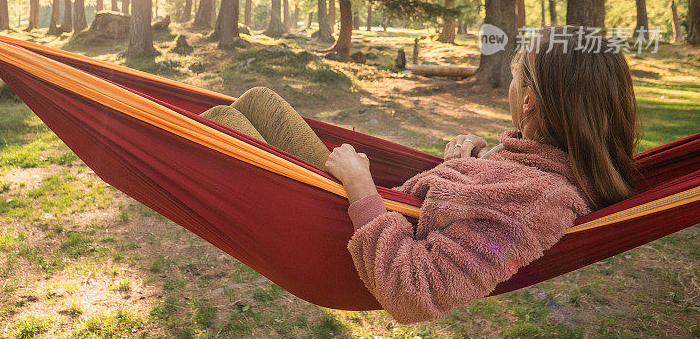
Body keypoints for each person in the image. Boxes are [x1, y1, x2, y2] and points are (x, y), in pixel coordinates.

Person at [201, 25, 641, 323]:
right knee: (257, 100)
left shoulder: (538, 203)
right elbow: (473, 206)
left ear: (527, 100)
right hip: (365, 212)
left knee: (219, 125)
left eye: (514, 78)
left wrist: (361, 188)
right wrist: (463, 163)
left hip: (345, 247)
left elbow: (414, 289)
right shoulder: (542, 163)